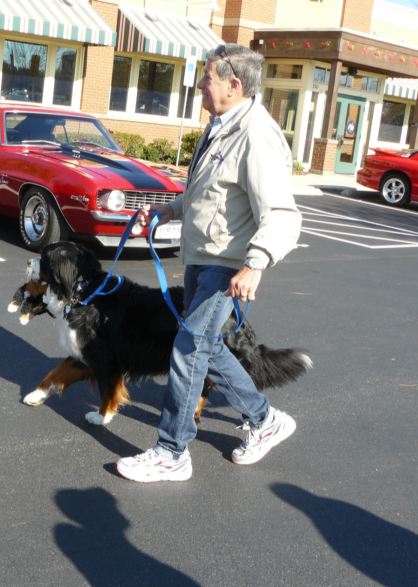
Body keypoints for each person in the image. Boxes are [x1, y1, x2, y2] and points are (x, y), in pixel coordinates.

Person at [116, 44, 303, 483]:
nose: (202, 84)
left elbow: (282, 215)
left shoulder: (256, 135)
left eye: (209, 78)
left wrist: (254, 264)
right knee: (208, 347)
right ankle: (265, 420)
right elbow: (211, 191)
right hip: (202, 259)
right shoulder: (220, 125)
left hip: (229, 267)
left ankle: (171, 451)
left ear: (234, 85)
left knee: (187, 347)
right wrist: (169, 211)